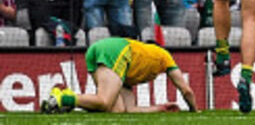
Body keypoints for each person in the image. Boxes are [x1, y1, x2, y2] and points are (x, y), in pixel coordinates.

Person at [41, 37, 197, 113]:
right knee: (104, 101)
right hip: (117, 50)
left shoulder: (136, 64)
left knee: (116, 109)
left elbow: (130, 109)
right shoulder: (164, 55)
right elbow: (186, 90)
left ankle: (65, 99)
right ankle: (63, 98)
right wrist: (194, 110)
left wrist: (161, 108)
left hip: (96, 49)